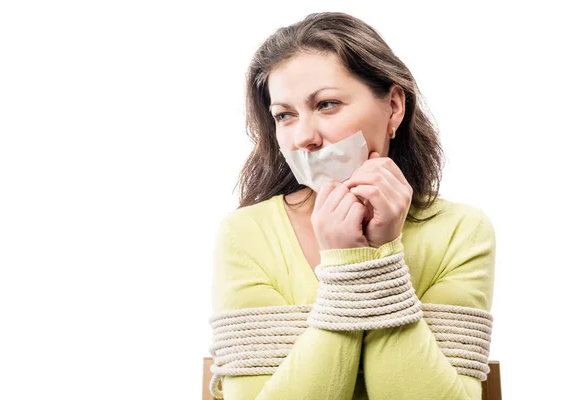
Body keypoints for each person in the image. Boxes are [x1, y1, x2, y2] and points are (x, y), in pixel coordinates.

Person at [208, 11, 495, 400]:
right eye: (285, 115)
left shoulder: (461, 231)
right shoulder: (246, 234)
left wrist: (378, 257)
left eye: (327, 105)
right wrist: (349, 262)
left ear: (393, 107)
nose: (303, 137)